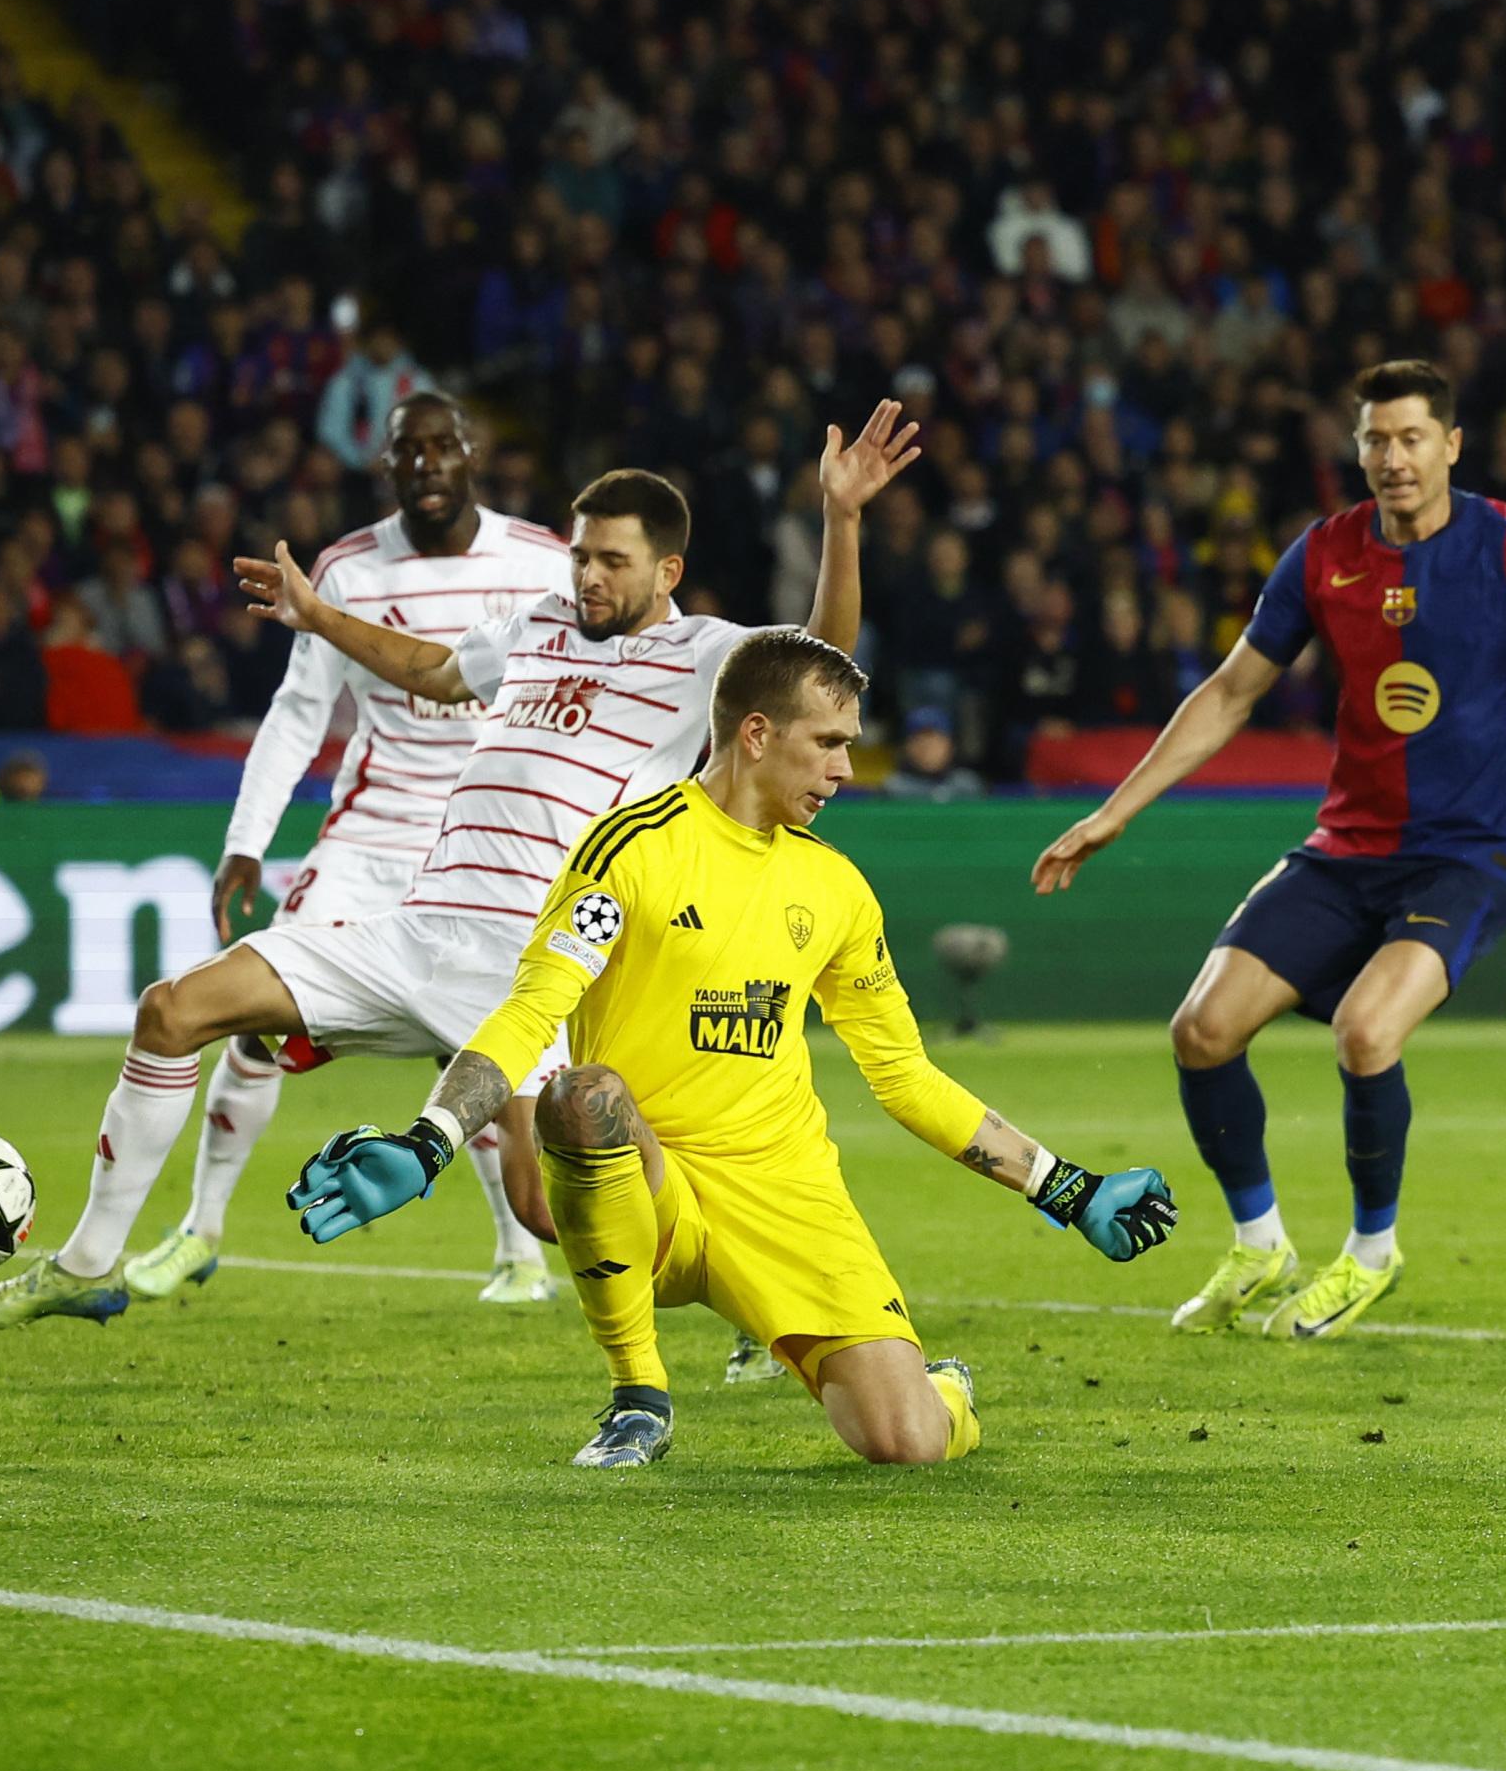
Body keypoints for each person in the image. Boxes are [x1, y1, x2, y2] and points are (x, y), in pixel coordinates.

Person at [0, 408, 919, 1331]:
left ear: (667, 569)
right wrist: (321, 618)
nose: (586, 576)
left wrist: (841, 516)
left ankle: (753, 1293)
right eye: (579, 553)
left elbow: (823, 652)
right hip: (416, 930)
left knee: (551, 1212)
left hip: (534, 969)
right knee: (173, 1009)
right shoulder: (536, 625)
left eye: (611, 562)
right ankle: (84, 1267)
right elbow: (432, 670)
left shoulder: (704, 656)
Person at [282, 629, 1177, 1468]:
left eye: (850, 743)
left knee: (905, 1443)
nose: (845, 768)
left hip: (784, 1194)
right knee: (581, 1095)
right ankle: (638, 1395)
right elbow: (531, 1011)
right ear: (756, 734)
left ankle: (942, 1390)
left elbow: (903, 1075)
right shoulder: (629, 850)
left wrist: (1064, 1185)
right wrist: (430, 1138)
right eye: (827, 742)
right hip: (651, 1179)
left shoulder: (836, 888)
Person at [1032, 360, 1506, 1340]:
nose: (1393, 459)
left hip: (1464, 856)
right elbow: (1228, 691)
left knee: (1364, 1031)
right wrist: (1115, 811)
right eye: (1375, 441)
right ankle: (1261, 1243)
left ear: (1452, 445)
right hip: (1344, 850)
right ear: (1358, 450)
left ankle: (1372, 1253)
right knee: (1202, 1030)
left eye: (1412, 439)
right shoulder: (1324, 555)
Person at [124, 392, 575, 1308]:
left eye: (442, 448)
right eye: (408, 453)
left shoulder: (543, 560)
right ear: (389, 467)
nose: (427, 467)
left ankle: (518, 1255)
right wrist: (246, 841)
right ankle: (199, 1230)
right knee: (254, 1019)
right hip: (375, 835)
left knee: (484, 1043)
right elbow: (300, 711)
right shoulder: (350, 569)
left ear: (471, 451)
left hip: (499, 841)